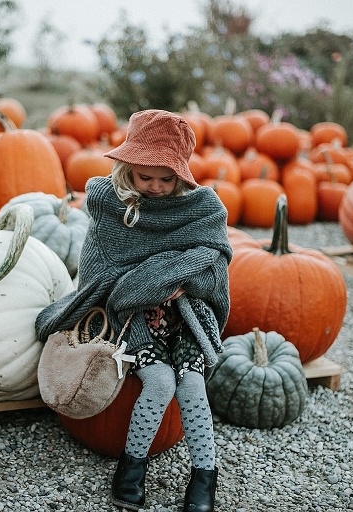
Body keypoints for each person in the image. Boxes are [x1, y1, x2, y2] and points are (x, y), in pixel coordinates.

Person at [35, 109, 232, 512]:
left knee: (192, 385)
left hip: (186, 318)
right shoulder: (111, 209)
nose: (157, 187)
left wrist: (181, 279)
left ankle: (204, 479)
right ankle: (131, 469)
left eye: (167, 178)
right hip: (133, 321)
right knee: (159, 383)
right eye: (147, 177)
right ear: (128, 168)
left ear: (181, 176)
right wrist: (159, 277)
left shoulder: (200, 210)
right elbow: (101, 277)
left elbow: (213, 263)